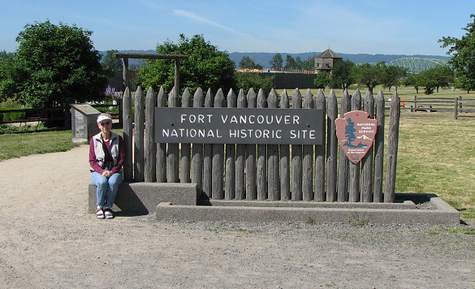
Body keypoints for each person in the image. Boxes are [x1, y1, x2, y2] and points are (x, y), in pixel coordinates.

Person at [89, 113, 125, 219]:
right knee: (102, 181)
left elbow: (121, 159)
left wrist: (112, 171)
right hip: (98, 171)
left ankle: (108, 207)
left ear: (111, 124)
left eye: (108, 123)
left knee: (113, 182)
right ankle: (100, 207)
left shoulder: (118, 139)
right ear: (99, 125)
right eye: (102, 123)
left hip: (115, 170)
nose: (105, 126)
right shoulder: (94, 139)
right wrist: (102, 172)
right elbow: (92, 161)